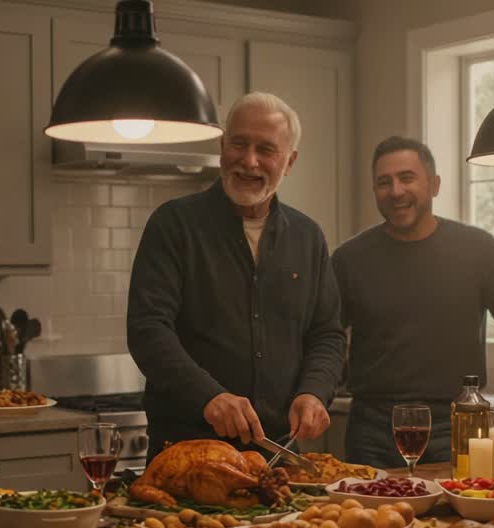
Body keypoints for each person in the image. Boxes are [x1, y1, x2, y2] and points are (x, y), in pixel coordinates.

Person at [332, 137, 494, 468]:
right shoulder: (349, 259)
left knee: (459, 515)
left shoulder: (478, 250)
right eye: (383, 182)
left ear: (434, 185)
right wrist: (313, 395)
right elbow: (326, 337)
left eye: (407, 178)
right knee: (373, 519)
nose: (396, 191)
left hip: (457, 421)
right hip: (373, 427)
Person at [127, 92, 345, 460]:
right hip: (186, 453)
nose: (249, 161)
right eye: (239, 143)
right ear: (222, 145)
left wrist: (314, 391)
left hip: (275, 456)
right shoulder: (174, 224)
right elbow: (147, 329)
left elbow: (327, 334)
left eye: (266, 149)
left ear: (289, 161)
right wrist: (208, 396)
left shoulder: (308, 237)